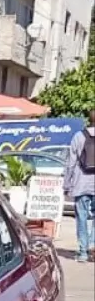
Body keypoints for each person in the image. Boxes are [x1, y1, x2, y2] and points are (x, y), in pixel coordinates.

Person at [64, 110, 95, 261]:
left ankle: (83, 252)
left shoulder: (78, 136)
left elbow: (70, 162)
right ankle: (93, 244)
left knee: (81, 217)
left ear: (88, 120)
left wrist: (67, 183)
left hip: (81, 183)